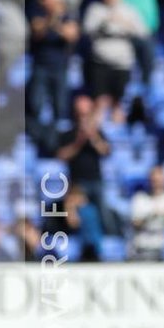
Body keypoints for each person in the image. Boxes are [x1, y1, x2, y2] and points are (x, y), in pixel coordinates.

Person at [81, 0, 147, 122]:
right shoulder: (95, 9)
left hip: (122, 63)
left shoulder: (129, 10)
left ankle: (118, 137)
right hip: (100, 62)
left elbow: (143, 32)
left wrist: (123, 22)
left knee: (119, 103)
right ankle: (98, 136)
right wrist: (105, 21)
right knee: (100, 101)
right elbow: (86, 30)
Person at [26, 0, 79, 154]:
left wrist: (56, 20)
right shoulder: (36, 12)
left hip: (60, 69)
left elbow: (71, 35)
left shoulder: (69, 16)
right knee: (35, 105)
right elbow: (37, 31)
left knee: (60, 107)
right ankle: (37, 141)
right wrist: (53, 19)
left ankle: (56, 144)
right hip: (40, 67)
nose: (41, 0)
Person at [55, 95, 115, 236]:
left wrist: (93, 137)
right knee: (78, 216)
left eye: (86, 114)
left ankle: (110, 240)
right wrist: (79, 142)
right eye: (80, 114)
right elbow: (61, 155)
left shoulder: (98, 133)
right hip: (77, 184)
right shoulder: (68, 134)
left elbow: (106, 151)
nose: (82, 117)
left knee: (103, 214)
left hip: (96, 181)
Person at [129, 165, 164, 261]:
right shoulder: (140, 198)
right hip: (141, 246)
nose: (156, 183)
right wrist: (151, 215)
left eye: (159, 180)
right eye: (154, 180)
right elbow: (134, 224)